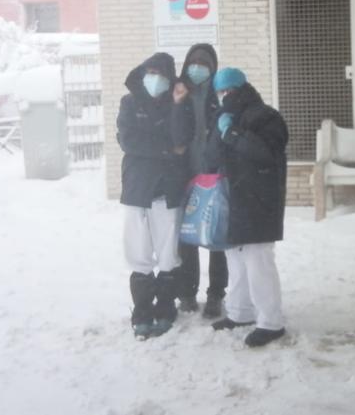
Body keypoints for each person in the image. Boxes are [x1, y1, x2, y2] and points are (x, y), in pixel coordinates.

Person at [205, 67, 290, 348]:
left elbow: (264, 154)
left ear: (243, 88)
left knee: (258, 259)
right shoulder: (221, 117)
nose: (224, 96)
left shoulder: (266, 116)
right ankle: (240, 312)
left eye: (229, 90)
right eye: (220, 91)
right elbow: (213, 156)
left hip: (259, 198)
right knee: (236, 258)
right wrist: (221, 133)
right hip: (233, 198)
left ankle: (270, 322)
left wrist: (232, 133)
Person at [116, 52, 192, 339]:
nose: (155, 77)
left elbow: (181, 139)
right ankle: (142, 311)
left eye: (161, 73)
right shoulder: (129, 102)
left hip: (168, 189)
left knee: (168, 252)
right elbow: (128, 140)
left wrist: (176, 104)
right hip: (137, 189)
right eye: (150, 71)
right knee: (138, 252)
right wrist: (165, 151)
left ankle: (165, 307)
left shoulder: (177, 104)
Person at [174, 43, 229, 318]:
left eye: (204, 63)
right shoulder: (178, 92)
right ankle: (186, 293)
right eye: (193, 62)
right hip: (185, 176)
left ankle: (216, 295)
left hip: (214, 174)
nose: (198, 67)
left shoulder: (219, 94)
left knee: (217, 235)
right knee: (187, 238)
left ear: (213, 67)